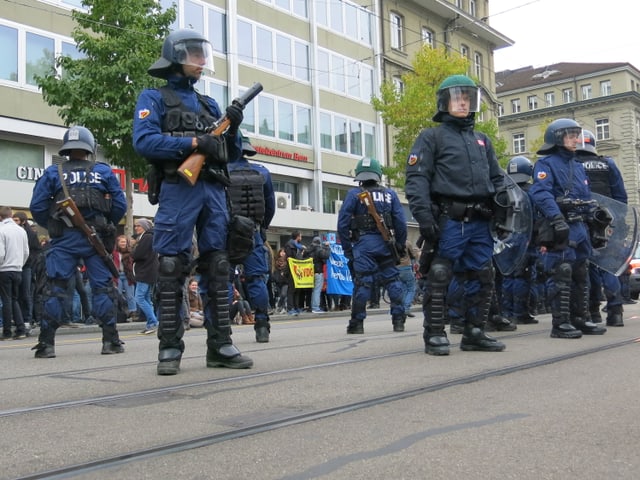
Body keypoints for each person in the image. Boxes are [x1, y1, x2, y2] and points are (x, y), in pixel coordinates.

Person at [133, 29, 252, 374]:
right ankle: (169, 347)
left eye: (204, 55)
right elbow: (145, 142)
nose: (202, 62)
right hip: (179, 187)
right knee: (170, 265)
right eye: (195, 55)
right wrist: (194, 144)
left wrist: (232, 129)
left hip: (213, 190)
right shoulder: (153, 98)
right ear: (177, 57)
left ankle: (221, 344)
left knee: (218, 266)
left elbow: (230, 153)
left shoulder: (210, 105)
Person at [405, 74, 506, 356]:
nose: (463, 103)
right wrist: (424, 217)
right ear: (444, 102)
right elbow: (416, 179)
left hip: (480, 221)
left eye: (467, 99)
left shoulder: (482, 140)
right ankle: (435, 334)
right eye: (457, 98)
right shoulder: (431, 137)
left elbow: (497, 180)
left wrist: (504, 210)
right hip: (449, 219)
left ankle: (474, 331)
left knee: (484, 275)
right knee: (439, 275)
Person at [29, 125, 127, 357]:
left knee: (56, 288)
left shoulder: (54, 172)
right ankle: (110, 341)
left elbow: (37, 207)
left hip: (63, 238)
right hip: (95, 238)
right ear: (90, 147)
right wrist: (105, 223)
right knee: (102, 289)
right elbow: (120, 205)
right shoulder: (102, 172)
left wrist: (54, 224)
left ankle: (46, 344)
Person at [529, 118, 607, 339]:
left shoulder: (578, 166)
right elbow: (540, 193)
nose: (576, 139)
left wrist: (595, 219)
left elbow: (586, 196)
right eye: (570, 135)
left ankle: (580, 318)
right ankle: (561, 323)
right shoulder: (546, 164)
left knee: (581, 273)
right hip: (561, 224)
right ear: (557, 138)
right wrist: (556, 217)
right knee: (562, 272)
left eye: (576, 135)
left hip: (580, 225)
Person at [337, 156, 408, 334]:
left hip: (363, 245)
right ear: (378, 175)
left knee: (363, 284)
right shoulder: (390, 194)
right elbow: (400, 222)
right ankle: (398, 320)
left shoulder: (354, 194)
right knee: (393, 281)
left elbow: (343, 224)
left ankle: (357, 324)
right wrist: (399, 245)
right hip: (385, 244)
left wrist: (347, 249)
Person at [227, 132, 275, 342]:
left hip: (224, 231)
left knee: (221, 279)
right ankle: (262, 325)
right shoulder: (262, 172)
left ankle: (221, 330)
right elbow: (270, 206)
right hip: (251, 231)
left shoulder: (218, 169)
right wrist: (261, 227)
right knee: (256, 279)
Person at [576, 130, 627, 327]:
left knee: (587, 268)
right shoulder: (608, 164)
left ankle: (593, 310)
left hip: (583, 221)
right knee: (609, 266)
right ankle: (615, 312)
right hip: (607, 222)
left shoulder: (574, 166)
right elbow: (620, 196)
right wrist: (616, 222)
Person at [500, 156, 539, 327]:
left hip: (507, 238)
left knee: (508, 275)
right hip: (526, 238)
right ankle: (520, 312)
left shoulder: (504, 191)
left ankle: (507, 311)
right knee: (523, 276)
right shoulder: (532, 192)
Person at [0, 206, 29, 340]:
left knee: (6, 300)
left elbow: (1, 254)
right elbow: (26, 252)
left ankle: (7, 332)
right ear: (11, 215)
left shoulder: (1, 229)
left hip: (4, 268)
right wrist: (19, 264)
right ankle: (20, 329)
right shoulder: (21, 231)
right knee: (14, 299)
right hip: (18, 268)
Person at [13, 212, 41, 332]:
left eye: (17, 220)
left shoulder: (30, 234)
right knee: (16, 294)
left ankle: (27, 319)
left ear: (23, 221)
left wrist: (30, 262)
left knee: (26, 293)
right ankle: (19, 318)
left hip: (26, 266)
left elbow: (36, 251)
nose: (15, 223)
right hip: (16, 266)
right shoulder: (15, 233)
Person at [131, 218, 159, 335]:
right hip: (149, 272)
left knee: (140, 298)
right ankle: (150, 324)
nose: (136, 228)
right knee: (147, 298)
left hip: (145, 272)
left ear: (144, 226)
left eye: (138, 225)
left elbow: (138, 254)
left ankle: (153, 322)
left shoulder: (147, 237)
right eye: (135, 226)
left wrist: (133, 249)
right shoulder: (150, 236)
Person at [113, 234, 137, 321]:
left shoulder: (131, 252)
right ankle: (120, 313)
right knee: (118, 295)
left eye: (124, 242)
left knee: (130, 295)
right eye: (121, 242)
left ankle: (133, 312)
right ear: (118, 243)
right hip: (117, 275)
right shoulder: (114, 253)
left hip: (128, 276)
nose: (123, 243)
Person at [283, 231, 306, 315]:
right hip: (292, 270)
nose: (301, 238)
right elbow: (290, 257)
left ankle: (296, 307)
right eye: (301, 236)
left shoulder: (298, 247)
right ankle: (290, 308)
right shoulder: (290, 245)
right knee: (291, 289)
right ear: (298, 237)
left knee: (297, 290)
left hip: (298, 270)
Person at [307, 236, 330, 313]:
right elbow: (326, 256)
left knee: (313, 291)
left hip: (309, 272)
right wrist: (327, 247)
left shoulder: (308, 250)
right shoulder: (318, 249)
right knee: (317, 290)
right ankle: (315, 307)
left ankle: (312, 306)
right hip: (318, 271)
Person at [397, 239, 420, 318]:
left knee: (403, 289)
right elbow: (413, 256)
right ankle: (406, 308)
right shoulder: (407, 242)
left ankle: (402, 308)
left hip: (396, 268)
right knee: (411, 288)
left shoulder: (392, 241)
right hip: (406, 267)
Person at [273, 247, 289, 313]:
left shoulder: (288, 261)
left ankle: (279, 306)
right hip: (278, 281)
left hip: (285, 281)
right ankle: (282, 308)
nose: (282, 253)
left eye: (284, 252)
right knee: (280, 296)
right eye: (281, 252)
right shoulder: (276, 262)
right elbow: (274, 271)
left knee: (283, 294)